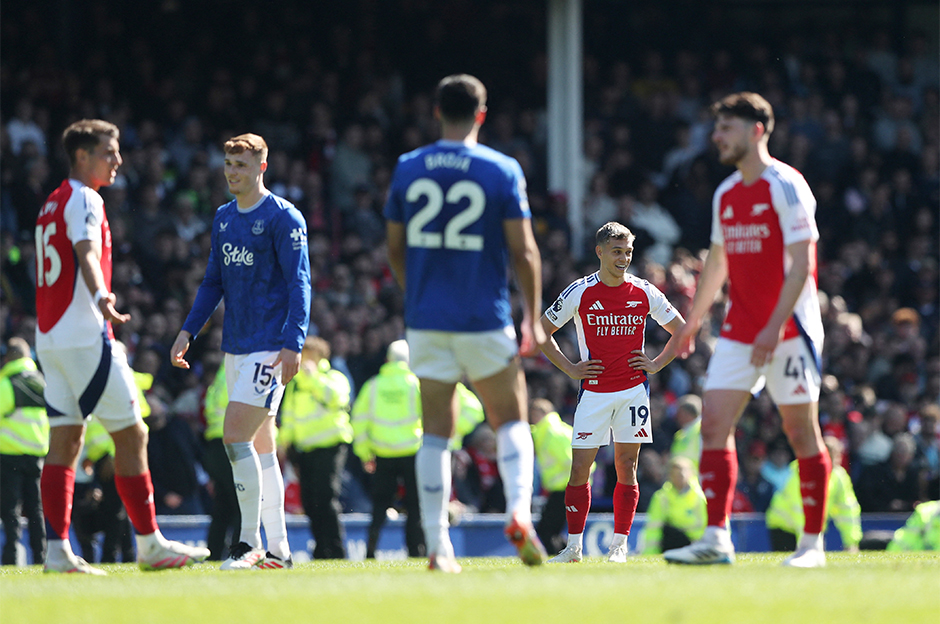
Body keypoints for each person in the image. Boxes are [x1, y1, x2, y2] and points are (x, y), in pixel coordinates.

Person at [384, 74, 547, 572]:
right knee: (511, 418)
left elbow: (394, 247)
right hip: (483, 317)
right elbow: (524, 251)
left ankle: (438, 546)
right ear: (481, 114)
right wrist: (533, 317)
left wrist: (417, 295)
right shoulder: (500, 169)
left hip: (427, 319)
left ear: (436, 111)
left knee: (436, 431)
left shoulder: (408, 167)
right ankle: (519, 512)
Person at [663, 93, 831, 568]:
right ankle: (717, 538)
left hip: (790, 329)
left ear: (756, 130)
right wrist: (692, 322)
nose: (716, 137)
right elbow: (718, 262)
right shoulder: (726, 193)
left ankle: (812, 546)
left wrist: (774, 327)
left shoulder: (787, 185)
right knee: (713, 425)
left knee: (801, 433)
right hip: (740, 328)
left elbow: (803, 266)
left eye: (726, 128)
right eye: (717, 128)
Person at [35, 119, 209, 574]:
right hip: (85, 335)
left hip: (50, 338)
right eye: (108, 152)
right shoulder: (84, 198)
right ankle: (150, 544)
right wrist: (101, 296)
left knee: (65, 440)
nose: (118, 160)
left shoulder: (50, 203)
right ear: (82, 156)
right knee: (133, 434)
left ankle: (56, 551)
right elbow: (86, 252)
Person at [171, 132, 311, 570]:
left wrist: (294, 342)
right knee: (262, 446)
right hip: (235, 345)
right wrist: (188, 330)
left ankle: (247, 543)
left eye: (242, 165)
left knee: (235, 437)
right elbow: (213, 281)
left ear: (261, 168)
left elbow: (300, 284)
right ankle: (280, 550)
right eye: (228, 164)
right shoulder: (224, 218)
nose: (233, 172)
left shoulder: (283, 217)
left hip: (269, 347)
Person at [539, 222, 686, 563]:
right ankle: (573, 547)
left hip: (633, 391)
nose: (624, 259)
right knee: (580, 469)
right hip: (594, 393)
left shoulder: (644, 291)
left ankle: (619, 546)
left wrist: (657, 364)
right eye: (617, 251)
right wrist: (570, 368)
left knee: (627, 466)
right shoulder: (580, 291)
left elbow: (681, 329)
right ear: (600, 252)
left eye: (628, 252)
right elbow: (541, 330)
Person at [280, 336, 352, 560]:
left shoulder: (333, 377)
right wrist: (285, 444)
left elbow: (337, 399)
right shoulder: (296, 385)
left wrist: (314, 379)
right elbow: (289, 416)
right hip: (305, 450)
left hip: (331, 446)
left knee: (327, 497)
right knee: (310, 501)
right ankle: (321, 549)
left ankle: (337, 550)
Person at [350, 339, 424, 559]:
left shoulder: (373, 386)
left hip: (382, 454)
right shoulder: (416, 384)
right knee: (415, 505)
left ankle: (370, 551)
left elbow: (359, 421)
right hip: (412, 452)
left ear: (387, 360)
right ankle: (416, 551)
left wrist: (365, 453)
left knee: (380, 505)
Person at [766, 436, 861, 553]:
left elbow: (847, 509)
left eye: (836, 455)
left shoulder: (838, 476)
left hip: (806, 529)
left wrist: (851, 543)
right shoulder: (801, 472)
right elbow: (799, 509)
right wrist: (809, 542)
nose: (834, 460)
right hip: (783, 528)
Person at [0, 337, 48, 565]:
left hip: (9, 455)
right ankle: (41, 556)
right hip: (37, 454)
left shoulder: (6, 384)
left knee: (11, 509)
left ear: (8, 358)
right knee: (36, 508)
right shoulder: (43, 383)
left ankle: (11, 557)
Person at [201, 360, 242, 560]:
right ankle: (240, 553)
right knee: (241, 503)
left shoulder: (222, 374)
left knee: (223, 506)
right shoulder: (240, 371)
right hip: (232, 443)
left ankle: (214, 553)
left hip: (217, 444)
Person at [528, 398, 578, 556]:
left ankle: (563, 556)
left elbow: (570, 461)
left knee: (546, 530)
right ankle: (566, 555)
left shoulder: (552, 433)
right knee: (551, 530)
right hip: (565, 488)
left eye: (534, 415)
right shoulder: (552, 431)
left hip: (564, 488)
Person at [637, 457, 707, 554]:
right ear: (670, 475)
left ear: (691, 473)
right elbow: (653, 527)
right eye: (676, 474)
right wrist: (650, 553)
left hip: (697, 544)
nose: (679, 478)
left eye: (681, 474)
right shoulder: (661, 497)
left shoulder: (700, 496)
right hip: (672, 545)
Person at [670, 394, 702, 471]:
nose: (676, 416)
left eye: (678, 412)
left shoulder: (701, 430)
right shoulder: (683, 432)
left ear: (685, 413)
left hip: (696, 475)